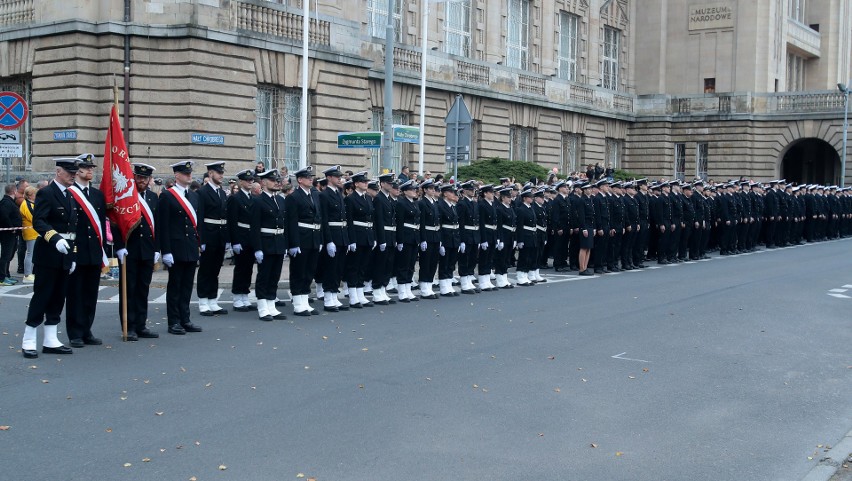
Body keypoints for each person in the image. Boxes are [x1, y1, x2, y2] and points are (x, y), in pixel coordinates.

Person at [20, 159, 79, 358]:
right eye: (69, 172)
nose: (73, 175)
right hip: (48, 254)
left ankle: (50, 339)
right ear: (58, 171)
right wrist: (54, 238)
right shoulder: (46, 193)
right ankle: (29, 339)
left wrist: (73, 255)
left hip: (65, 254)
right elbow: (39, 221)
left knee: (58, 298)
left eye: (74, 172)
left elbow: (73, 229)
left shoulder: (70, 196)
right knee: (42, 296)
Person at [114, 163, 160, 341]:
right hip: (129, 250)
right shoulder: (125, 197)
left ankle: (141, 324)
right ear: (133, 177)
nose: (141, 181)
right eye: (139, 177)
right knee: (129, 289)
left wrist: (157, 249)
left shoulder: (153, 198)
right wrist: (119, 246)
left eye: (145, 178)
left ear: (149, 180)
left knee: (143, 289)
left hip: (147, 250)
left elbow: (158, 225)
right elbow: (116, 223)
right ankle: (129, 326)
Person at [65, 153, 107, 348]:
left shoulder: (98, 195)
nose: (90, 170)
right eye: (86, 167)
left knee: (91, 294)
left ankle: (86, 330)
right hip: (77, 250)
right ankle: (74, 332)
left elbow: (100, 226)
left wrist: (104, 252)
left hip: (94, 252)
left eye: (92, 167)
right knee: (75, 294)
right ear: (78, 169)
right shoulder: (70, 193)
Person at [158, 161, 204, 335]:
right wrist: (166, 251)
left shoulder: (194, 196)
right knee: (175, 286)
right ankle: (174, 321)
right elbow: (163, 226)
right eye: (185, 173)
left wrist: (199, 244)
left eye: (190, 173)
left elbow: (197, 224)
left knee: (186, 286)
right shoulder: (167, 196)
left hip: (191, 247)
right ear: (176, 175)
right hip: (175, 248)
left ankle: (185, 319)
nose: (189, 176)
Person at [251, 169, 288, 321]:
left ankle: (271, 304)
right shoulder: (258, 201)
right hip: (265, 242)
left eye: (277, 180)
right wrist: (257, 248)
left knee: (275, 276)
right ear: (264, 182)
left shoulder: (280, 200)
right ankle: (262, 306)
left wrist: (285, 244)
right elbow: (254, 227)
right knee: (264, 276)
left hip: (278, 241)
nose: (276, 183)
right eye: (273, 180)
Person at [286, 165, 322, 316]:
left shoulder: (314, 195)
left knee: (309, 270)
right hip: (301, 237)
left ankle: (305, 300)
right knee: (298, 271)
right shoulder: (293, 197)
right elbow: (291, 222)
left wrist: (320, 239)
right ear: (300, 180)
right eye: (307, 177)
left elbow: (319, 218)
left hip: (313, 237)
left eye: (311, 177)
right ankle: (297, 302)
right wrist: (293, 243)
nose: (311, 179)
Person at [196, 161, 230, 316]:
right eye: (219, 173)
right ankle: (203, 300)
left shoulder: (222, 193)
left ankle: (212, 299)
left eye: (222, 173)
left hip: (220, 235)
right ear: (210, 174)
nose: (221, 175)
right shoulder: (202, 193)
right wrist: (201, 240)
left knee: (216, 268)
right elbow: (200, 217)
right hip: (208, 235)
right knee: (206, 269)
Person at [318, 165, 349, 312]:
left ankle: (334, 295)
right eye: (337, 177)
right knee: (330, 268)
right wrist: (328, 240)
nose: (339, 179)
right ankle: (328, 298)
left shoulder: (339, 194)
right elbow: (324, 220)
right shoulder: (324, 195)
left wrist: (347, 239)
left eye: (340, 177)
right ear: (329, 178)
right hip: (332, 236)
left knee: (338, 268)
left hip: (342, 235)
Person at [226, 169, 257, 312]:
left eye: (252, 180)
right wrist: (235, 241)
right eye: (248, 180)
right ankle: (237, 297)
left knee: (249, 268)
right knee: (240, 268)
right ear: (241, 182)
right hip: (241, 236)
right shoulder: (235, 198)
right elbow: (232, 221)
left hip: (251, 237)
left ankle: (245, 295)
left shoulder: (253, 198)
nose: (250, 182)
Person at [344, 171, 375, 308]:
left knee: (363, 266)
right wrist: (351, 240)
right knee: (354, 266)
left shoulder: (368, 198)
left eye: (366, 182)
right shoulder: (350, 199)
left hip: (367, 235)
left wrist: (373, 237)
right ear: (356, 184)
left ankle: (360, 293)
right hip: (357, 235)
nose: (366, 183)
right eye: (363, 182)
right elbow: (349, 221)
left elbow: (371, 219)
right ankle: (352, 295)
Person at [370, 173, 398, 305]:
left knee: (388, 265)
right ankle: (376, 291)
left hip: (391, 236)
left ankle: (383, 289)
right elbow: (379, 221)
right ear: (382, 184)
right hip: (384, 236)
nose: (391, 185)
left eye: (391, 183)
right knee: (380, 265)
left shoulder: (389, 199)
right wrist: (381, 240)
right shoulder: (379, 199)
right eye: (388, 183)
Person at [394, 179, 421, 302]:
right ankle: (402, 290)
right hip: (405, 236)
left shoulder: (415, 203)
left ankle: (408, 288)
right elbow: (399, 223)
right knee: (403, 264)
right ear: (405, 191)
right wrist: (399, 240)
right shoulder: (401, 203)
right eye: (411, 189)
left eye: (415, 189)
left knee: (411, 265)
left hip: (414, 236)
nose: (414, 191)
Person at [417, 179, 441, 299]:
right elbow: (421, 223)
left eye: (434, 189)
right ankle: (424, 287)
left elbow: (438, 222)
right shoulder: (422, 203)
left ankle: (429, 285)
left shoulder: (435, 203)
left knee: (433, 262)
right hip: (427, 234)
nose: (433, 191)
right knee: (425, 262)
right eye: (430, 189)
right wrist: (423, 239)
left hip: (436, 235)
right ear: (425, 190)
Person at [456, 181, 481, 294]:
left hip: (474, 234)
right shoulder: (462, 204)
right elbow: (460, 222)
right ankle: (464, 282)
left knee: (472, 259)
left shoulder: (475, 203)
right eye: (470, 190)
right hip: (466, 234)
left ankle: (469, 278)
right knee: (464, 260)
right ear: (464, 191)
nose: (473, 192)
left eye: (473, 190)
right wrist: (461, 240)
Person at [437, 183, 461, 296]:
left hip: (454, 237)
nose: (453, 194)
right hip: (446, 236)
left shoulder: (452, 206)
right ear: (445, 193)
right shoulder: (440, 205)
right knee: (444, 262)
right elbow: (440, 224)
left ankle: (448, 284)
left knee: (451, 262)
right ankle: (443, 286)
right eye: (451, 192)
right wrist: (440, 242)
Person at [476, 184, 498, 291]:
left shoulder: (492, 204)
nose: (493, 194)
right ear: (485, 193)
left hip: (493, 233)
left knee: (490, 258)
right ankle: (482, 281)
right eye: (491, 192)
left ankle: (487, 279)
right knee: (484, 258)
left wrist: (497, 237)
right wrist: (483, 239)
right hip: (486, 233)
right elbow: (481, 223)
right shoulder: (482, 205)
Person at [0, 183, 23, 285]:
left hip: (12, 233)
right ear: (14, 191)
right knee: (6, 255)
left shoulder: (9, 202)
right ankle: (2, 277)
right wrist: (11, 228)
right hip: (7, 234)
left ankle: (7, 274)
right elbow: (4, 216)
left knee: (10, 254)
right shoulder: (6, 202)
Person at [19, 186, 37, 282]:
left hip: (34, 232)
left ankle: (31, 272)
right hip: (30, 232)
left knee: (33, 253)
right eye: (34, 194)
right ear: (30, 195)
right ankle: (27, 274)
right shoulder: (26, 204)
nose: (36, 196)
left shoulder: (31, 203)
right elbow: (33, 217)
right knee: (30, 253)